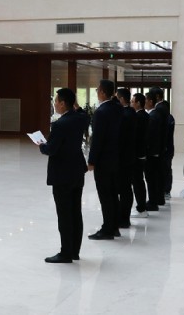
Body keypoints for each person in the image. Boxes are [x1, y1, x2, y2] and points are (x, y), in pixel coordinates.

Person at [39, 88, 88, 263]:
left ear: (62, 103)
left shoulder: (60, 124)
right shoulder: (81, 118)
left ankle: (66, 252)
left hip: (62, 173)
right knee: (75, 212)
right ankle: (74, 250)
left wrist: (41, 145)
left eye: (56, 101)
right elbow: (82, 113)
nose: (54, 104)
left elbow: (51, 149)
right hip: (76, 170)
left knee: (65, 214)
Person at [87, 79, 123, 240]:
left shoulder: (101, 112)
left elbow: (98, 139)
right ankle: (114, 226)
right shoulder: (118, 108)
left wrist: (92, 160)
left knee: (105, 195)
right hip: (116, 157)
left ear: (102, 92)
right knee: (113, 194)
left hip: (104, 160)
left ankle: (108, 228)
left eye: (97, 90)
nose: (97, 93)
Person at [115, 88, 137, 229]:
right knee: (125, 188)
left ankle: (123, 218)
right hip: (128, 156)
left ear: (122, 99)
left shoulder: (125, 114)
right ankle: (123, 216)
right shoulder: (130, 112)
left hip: (124, 157)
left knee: (124, 189)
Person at [144, 91, 165, 211]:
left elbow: (150, 136)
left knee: (151, 177)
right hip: (156, 151)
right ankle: (158, 198)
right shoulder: (156, 114)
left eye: (146, 100)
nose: (144, 102)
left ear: (151, 102)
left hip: (152, 152)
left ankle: (153, 201)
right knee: (156, 176)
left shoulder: (152, 116)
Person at [130, 93, 150, 218]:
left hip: (137, 154)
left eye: (133, 102)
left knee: (137, 182)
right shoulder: (146, 115)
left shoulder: (138, 117)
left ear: (138, 103)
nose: (131, 104)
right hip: (142, 153)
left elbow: (136, 137)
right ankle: (141, 207)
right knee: (139, 181)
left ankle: (141, 208)